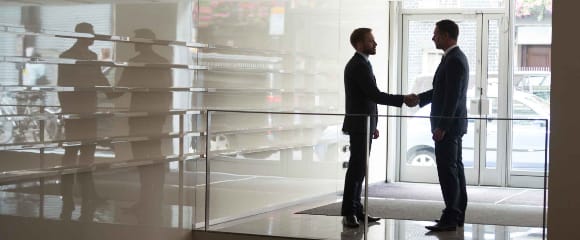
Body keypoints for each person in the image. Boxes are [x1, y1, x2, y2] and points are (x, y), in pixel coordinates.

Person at [341, 27, 417, 228]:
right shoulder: (358, 65)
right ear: (359, 44)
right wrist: (402, 99)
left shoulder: (364, 63)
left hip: (364, 124)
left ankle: (356, 210)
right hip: (358, 125)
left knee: (360, 169)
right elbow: (374, 94)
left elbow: (368, 99)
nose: (375, 44)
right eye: (370, 41)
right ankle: (350, 212)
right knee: (356, 169)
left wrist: (374, 124)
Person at [57, 22, 114, 221]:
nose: (94, 38)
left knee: (85, 153)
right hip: (77, 113)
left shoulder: (90, 57)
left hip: (88, 111)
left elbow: (99, 78)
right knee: (73, 153)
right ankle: (67, 196)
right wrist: (68, 113)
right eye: (92, 35)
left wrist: (111, 90)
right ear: (83, 36)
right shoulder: (67, 57)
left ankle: (86, 194)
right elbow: (62, 86)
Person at [417, 19, 469, 232]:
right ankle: (456, 214)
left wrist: (442, 126)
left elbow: (453, 98)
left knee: (448, 171)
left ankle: (451, 216)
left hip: (448, 127)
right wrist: (418, 98)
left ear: (447, 35)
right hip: (452, 126)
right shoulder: (453, 58)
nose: (433, 37)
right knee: (454, 170)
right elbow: (442, 92)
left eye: (436, 34)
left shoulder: (454, 60)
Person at [117, 28, 171, 225]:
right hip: (154, 119)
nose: (133, 43)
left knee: (143, 161)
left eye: (136, 40)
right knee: (154, 159)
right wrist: (163, 116)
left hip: (140, 119)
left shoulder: (135, 63)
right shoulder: (163, 63)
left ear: (143, 42)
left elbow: (120, 89)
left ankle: (146, 201)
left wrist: (98, 86)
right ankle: (151, 201)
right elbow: (168, 93)